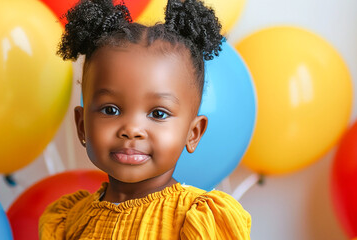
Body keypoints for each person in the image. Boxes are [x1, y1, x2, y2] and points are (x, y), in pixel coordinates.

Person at [39, 0, 251, 239]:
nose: (132, 129)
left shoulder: (197, 219)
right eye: (111, 110)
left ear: (193, 133)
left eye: (158, 114)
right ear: (81, 125)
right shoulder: (69, 219)